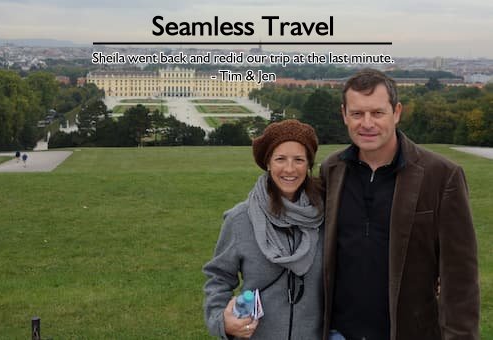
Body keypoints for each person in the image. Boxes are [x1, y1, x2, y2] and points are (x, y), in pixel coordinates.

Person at [320, 69, 479, 340]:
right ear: (344, 114)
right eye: (357, 114)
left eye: (377, 113)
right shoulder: (331, 170)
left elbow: (460, 278)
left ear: (396, 112)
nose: (366, 123)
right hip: (339, 333)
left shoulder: (442, 175)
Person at [203, 119, 325, 340]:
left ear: (309, 164)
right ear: (268, 162)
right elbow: (218, 279)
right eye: (280, 159)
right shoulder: (240, 219)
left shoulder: (326, 216)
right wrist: (222, 321)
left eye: (298, 159)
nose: (289, 169)